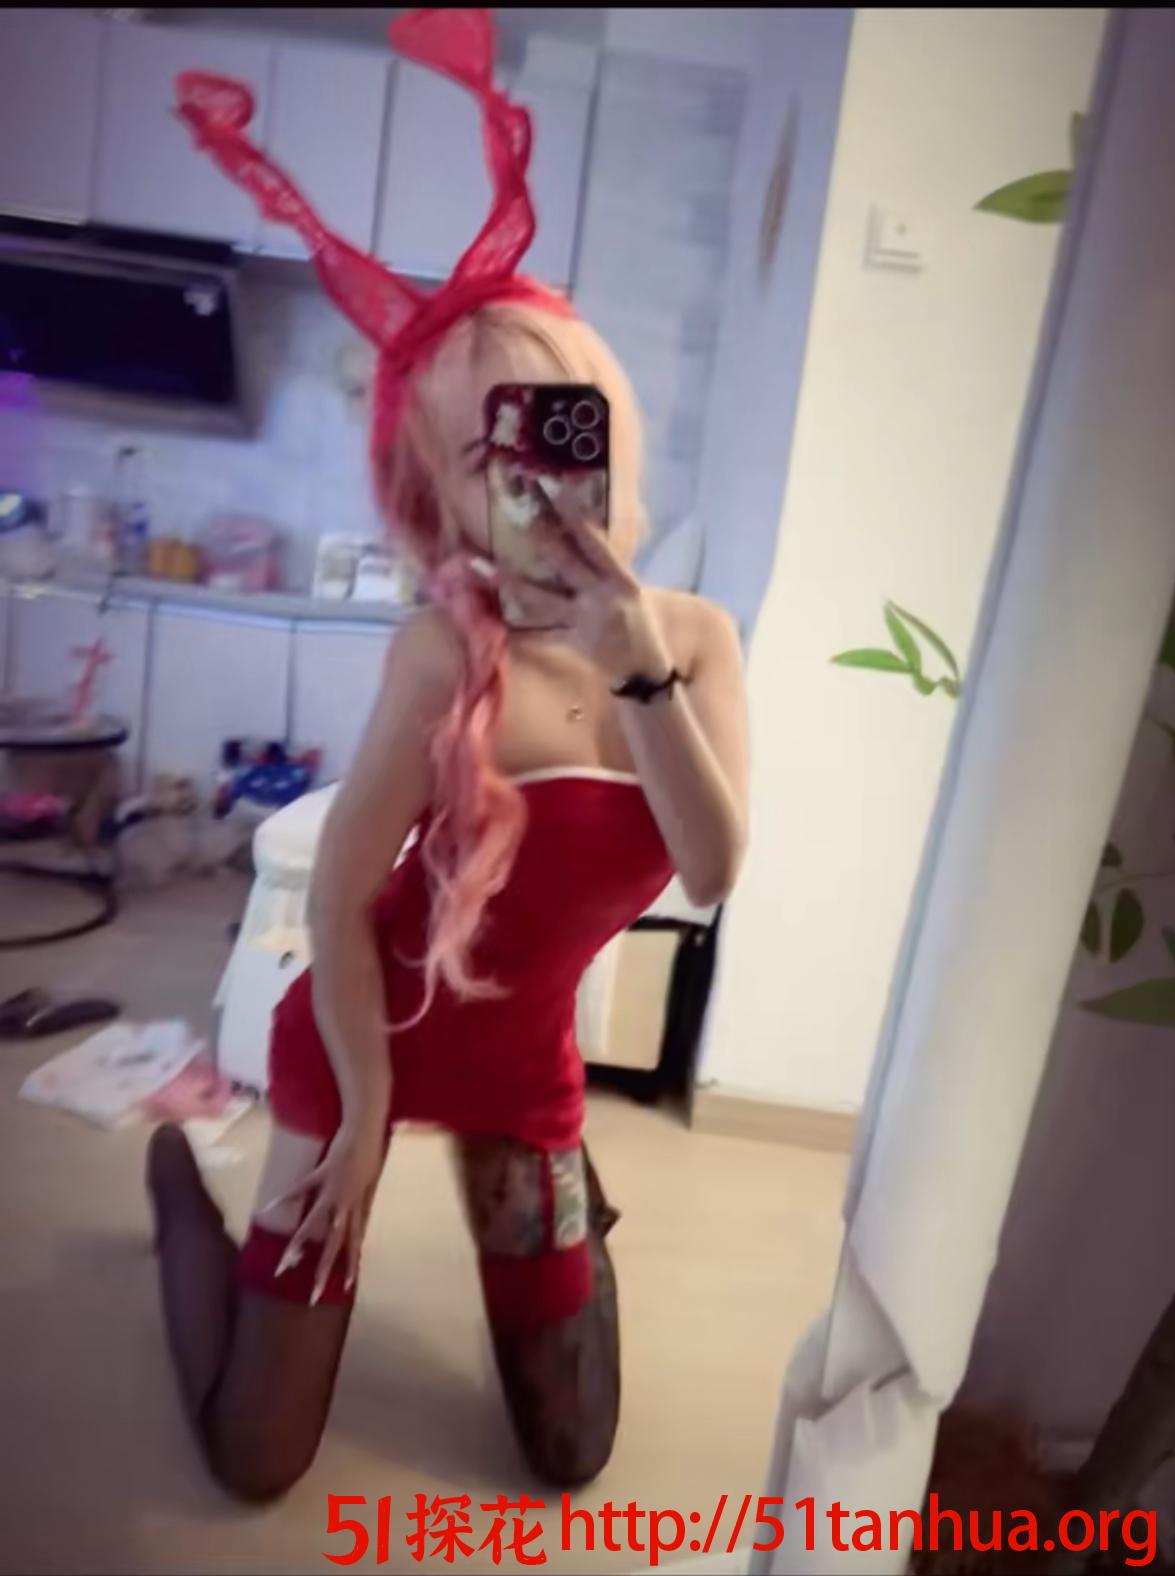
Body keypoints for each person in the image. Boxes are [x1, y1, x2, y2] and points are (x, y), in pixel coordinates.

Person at [146, 9, 748, 1501]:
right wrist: (361, 1114)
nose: (536, 479)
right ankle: (179, 1194)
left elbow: (714, 872)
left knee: (570, 1455)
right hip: (362, 1039)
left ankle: (563, 1210)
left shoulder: (695, 638)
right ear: (445, 495)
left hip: (525, 1067)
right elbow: (342, 899)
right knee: (255, 1457)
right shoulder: (439, 650)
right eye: (491, 456)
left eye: (559, 430)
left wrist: (636, 665)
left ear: (609, 431)